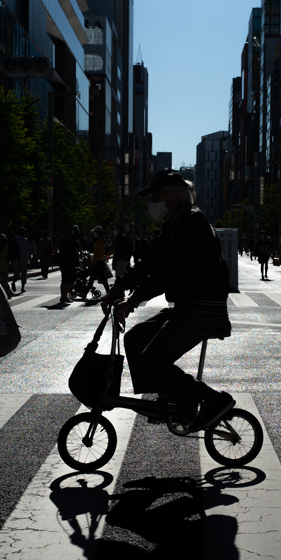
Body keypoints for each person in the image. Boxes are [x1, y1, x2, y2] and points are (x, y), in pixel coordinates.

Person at [102, 169, 234, 431]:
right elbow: (149, 260)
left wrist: (133, 301)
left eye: (155, 196)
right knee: (135, 339)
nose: (151, 202)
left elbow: (168, 271)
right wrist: (119, 288)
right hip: (187, 306)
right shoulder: (175, 223)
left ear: (173, 197)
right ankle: (173, 400)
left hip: (203, 309)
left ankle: (214, 400)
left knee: (152, 360)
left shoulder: (192, 222)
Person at [57, 225, 79, 303]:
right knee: (70, 280)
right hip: (69, 262)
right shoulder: (70, 238)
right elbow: (77, 234)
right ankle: (64, 296)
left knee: (64, 280)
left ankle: (63, 296)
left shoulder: (62, 238)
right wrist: (75, 227)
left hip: (63, 262)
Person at [87, 226, 111, 296]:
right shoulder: (99, 241)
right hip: (99, 262)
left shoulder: (100, 241)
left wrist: (94, 262)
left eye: (95, 232)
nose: (94, 234)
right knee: (99, 278)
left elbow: (98, 254)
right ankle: (108, 292)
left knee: (94, 278)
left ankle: (84, 292)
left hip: (98, 262)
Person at [13, 227, 32, 293]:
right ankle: (22, 287)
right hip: (23, 260)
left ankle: (13, 281)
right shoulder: (25, 240)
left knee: (16, 273)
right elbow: (28, 250)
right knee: (23, 274)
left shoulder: (15, 239)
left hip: (16, 259)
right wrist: (29, 259)